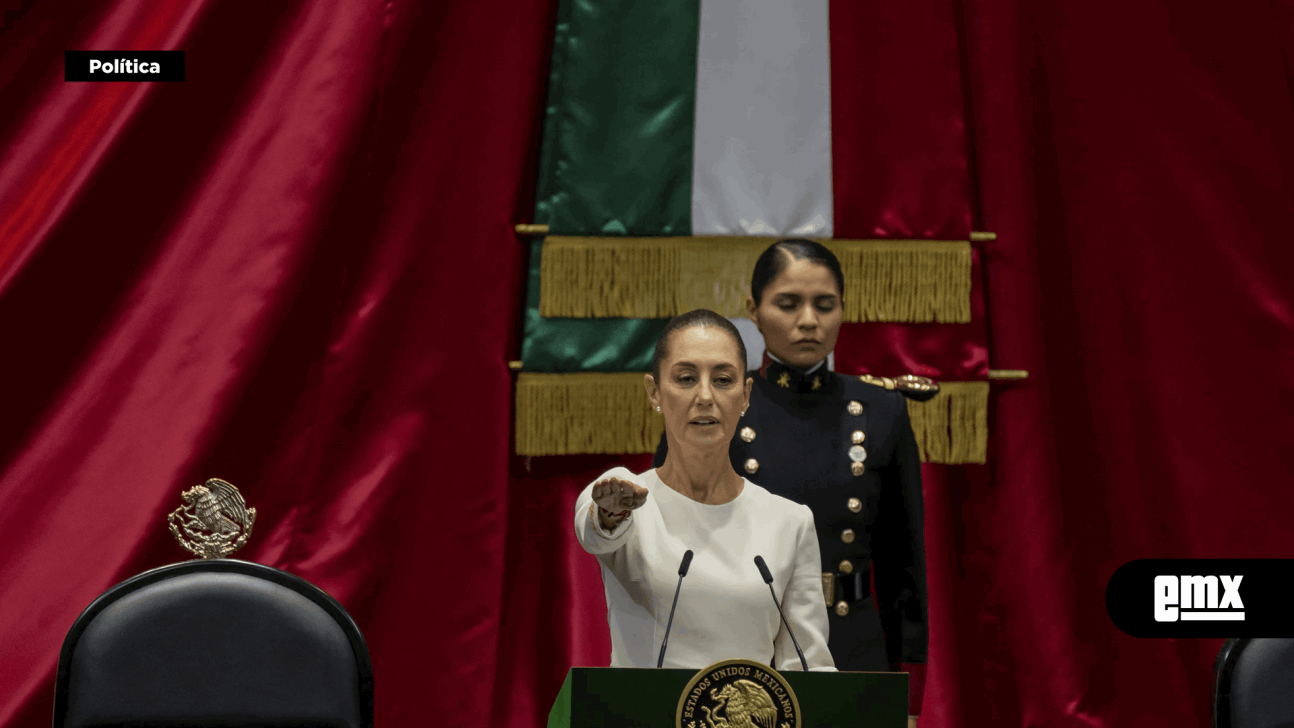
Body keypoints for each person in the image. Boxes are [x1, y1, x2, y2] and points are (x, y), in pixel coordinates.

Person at [652, 241, 929, 689]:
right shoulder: (716, 404)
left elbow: (904, 566)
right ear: (754, 311)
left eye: (825, 305)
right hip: (739, 647)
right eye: (788, 303)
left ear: (843, 309)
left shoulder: (881, 411)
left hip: (852, 646)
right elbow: (669, 543)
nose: (808, 321)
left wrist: (909, 697)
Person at [574, 309, 835, 671]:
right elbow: (595, 532)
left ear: (745, 396)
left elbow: (810, 669)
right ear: (655, 392)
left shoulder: (790, 522)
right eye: (685, 378)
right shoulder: (627, 497)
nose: (705, 396)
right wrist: (610, 513)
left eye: (724, 380)